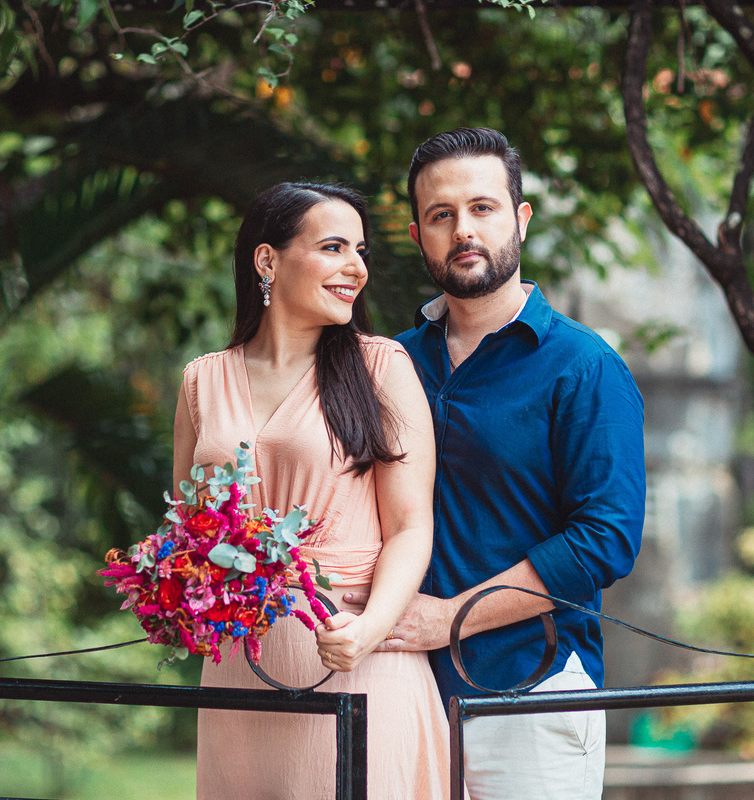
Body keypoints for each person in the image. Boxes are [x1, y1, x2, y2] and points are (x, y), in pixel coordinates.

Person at [347, 127, 646, 799]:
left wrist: (450, 617)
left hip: (529, 695)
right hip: (396, 689)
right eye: (441, 215)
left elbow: (606, 540)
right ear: (419, 234)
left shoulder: (584, 366)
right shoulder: (386, 363)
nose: (463, 230)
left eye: (482, 207)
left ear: (521, 218)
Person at [174, 182, 452, 799]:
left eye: (361, 251)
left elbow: (410, 526)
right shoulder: (202, 380)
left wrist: (370, 628)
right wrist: (173, 588)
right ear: (267, 260)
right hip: (236, 674)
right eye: (333, 247)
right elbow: (190, 534)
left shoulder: (382, 367)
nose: (356, 268)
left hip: (356, 661)